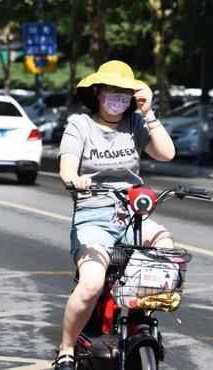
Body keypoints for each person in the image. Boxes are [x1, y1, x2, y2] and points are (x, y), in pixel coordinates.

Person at [54, 60, 176, 369]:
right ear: (98, 92)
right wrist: (75, 180)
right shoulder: (80, 125)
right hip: (93, 215)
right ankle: (66, 349)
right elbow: (66, 168)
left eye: (125, 94)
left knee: (166, 247)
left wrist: (149, 112)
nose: (119, 100)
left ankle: (138, 319)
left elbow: (167, 154)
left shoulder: (135, 123)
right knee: (92, 283)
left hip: (132, 215)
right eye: (113, 93)